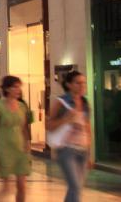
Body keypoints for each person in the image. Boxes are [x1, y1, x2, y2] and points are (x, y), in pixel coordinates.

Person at [47, 71, 92, 202]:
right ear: (69, 84)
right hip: (67, 150)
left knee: (76, 188)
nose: (82, 85)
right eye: (78, 83)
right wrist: (66, 119)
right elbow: (49, 125)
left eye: (84, 82)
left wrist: (89, 152)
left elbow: (88, 128)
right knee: (75, 186)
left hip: (82, 150)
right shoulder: (61, 102)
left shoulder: (84, 103)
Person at [0, 75, 32, 202]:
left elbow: (24, 127)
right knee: (7, 187)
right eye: (15, 87)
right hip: (5, 148)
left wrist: (28, 143)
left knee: (22, 186)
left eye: (19, 87)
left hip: (21, 149)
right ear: (7, 89)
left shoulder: (22, 106)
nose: (18, 90)